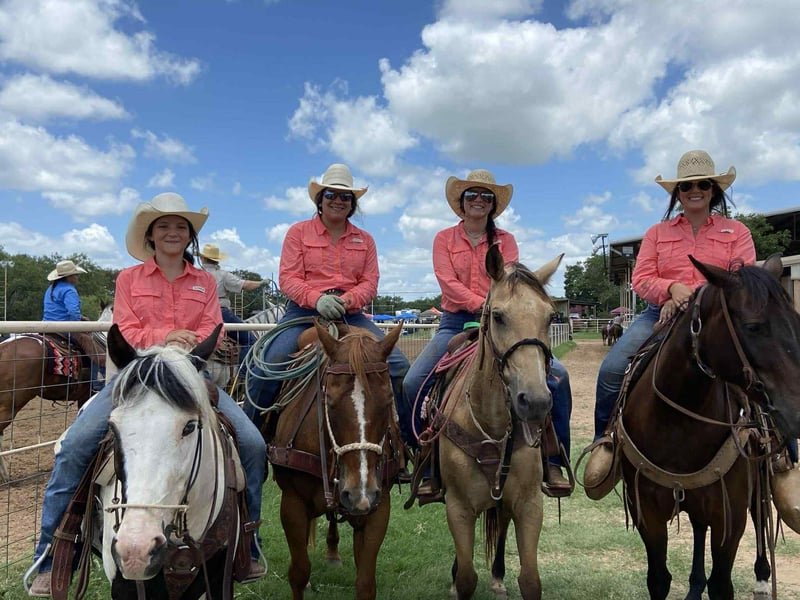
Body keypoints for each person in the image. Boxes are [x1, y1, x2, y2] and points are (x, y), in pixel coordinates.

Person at [27, 193, 267, 597]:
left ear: (189, 237)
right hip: (135, 378)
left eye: (180, 227)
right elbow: (125, 329)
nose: (173, 232)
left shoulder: (205, 282)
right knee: (76, 446)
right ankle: (53, 555)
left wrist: (190, 344)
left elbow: (214, 328)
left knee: (253, 444)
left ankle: (247, 543)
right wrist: (167, 337)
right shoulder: (129, 279)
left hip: (189, 376)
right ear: (150, 235)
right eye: (164, 226)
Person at [583, 150, 800, 505]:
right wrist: (670, 289)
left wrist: (692, 296)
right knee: (611, 369)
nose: (695, 190)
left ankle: (784, 457)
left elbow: (744, 283)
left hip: (719, 319)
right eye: (686, 186)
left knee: (768, 363)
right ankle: (605, 441)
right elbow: (642, 278)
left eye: (703, 184)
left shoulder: (737, 232)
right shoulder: (657, 233)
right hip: (660, 314)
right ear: (678, 193)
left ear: (713, 190)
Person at [401, 169, 573, 493]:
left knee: (559, 378)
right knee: (413, 383)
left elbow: (511, 283)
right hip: (456, 321)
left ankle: (553, 459)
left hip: (503, 321)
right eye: (472, 195)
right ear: (461, 202)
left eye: (485, 196)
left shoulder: (506, 241)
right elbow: (447, 283)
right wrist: (483, 305)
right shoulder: (443, 239)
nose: (478, 200)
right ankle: (425, 462)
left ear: (493, 204)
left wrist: (497, 310)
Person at [244, 163, 410, 427]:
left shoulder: (366, 240)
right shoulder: (298, 233)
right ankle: (251, 438)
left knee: (399, 366)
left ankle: (404, 438)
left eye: (345, 196)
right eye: (331, 194)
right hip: (302, 314)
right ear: (320, 200)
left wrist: (348, 300)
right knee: (268, 365)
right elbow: (288, 278)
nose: (338, 200)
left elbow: (370, 282)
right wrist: (317, 299)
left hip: (350, 315)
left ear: (352, 204)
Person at [199, 243, 268, 373]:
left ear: (202, 258)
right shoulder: (222, 275)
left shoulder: (195, 274)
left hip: (196, 314)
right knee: (250, 340)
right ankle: (242, 375)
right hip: (220, 313)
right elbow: (245, 285)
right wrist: (261, 283)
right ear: (217, 259)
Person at [42, 260, 105, 393]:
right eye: (75, 274)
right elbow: (72, 313)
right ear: (68, 277)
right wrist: (79, 321)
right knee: (98, 351)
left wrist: (81, 317)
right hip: (65, 329)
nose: (77, 277)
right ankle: (98, 384)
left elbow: (59, 310)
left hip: (47, 327)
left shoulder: (51, 289)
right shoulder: (69, 290)